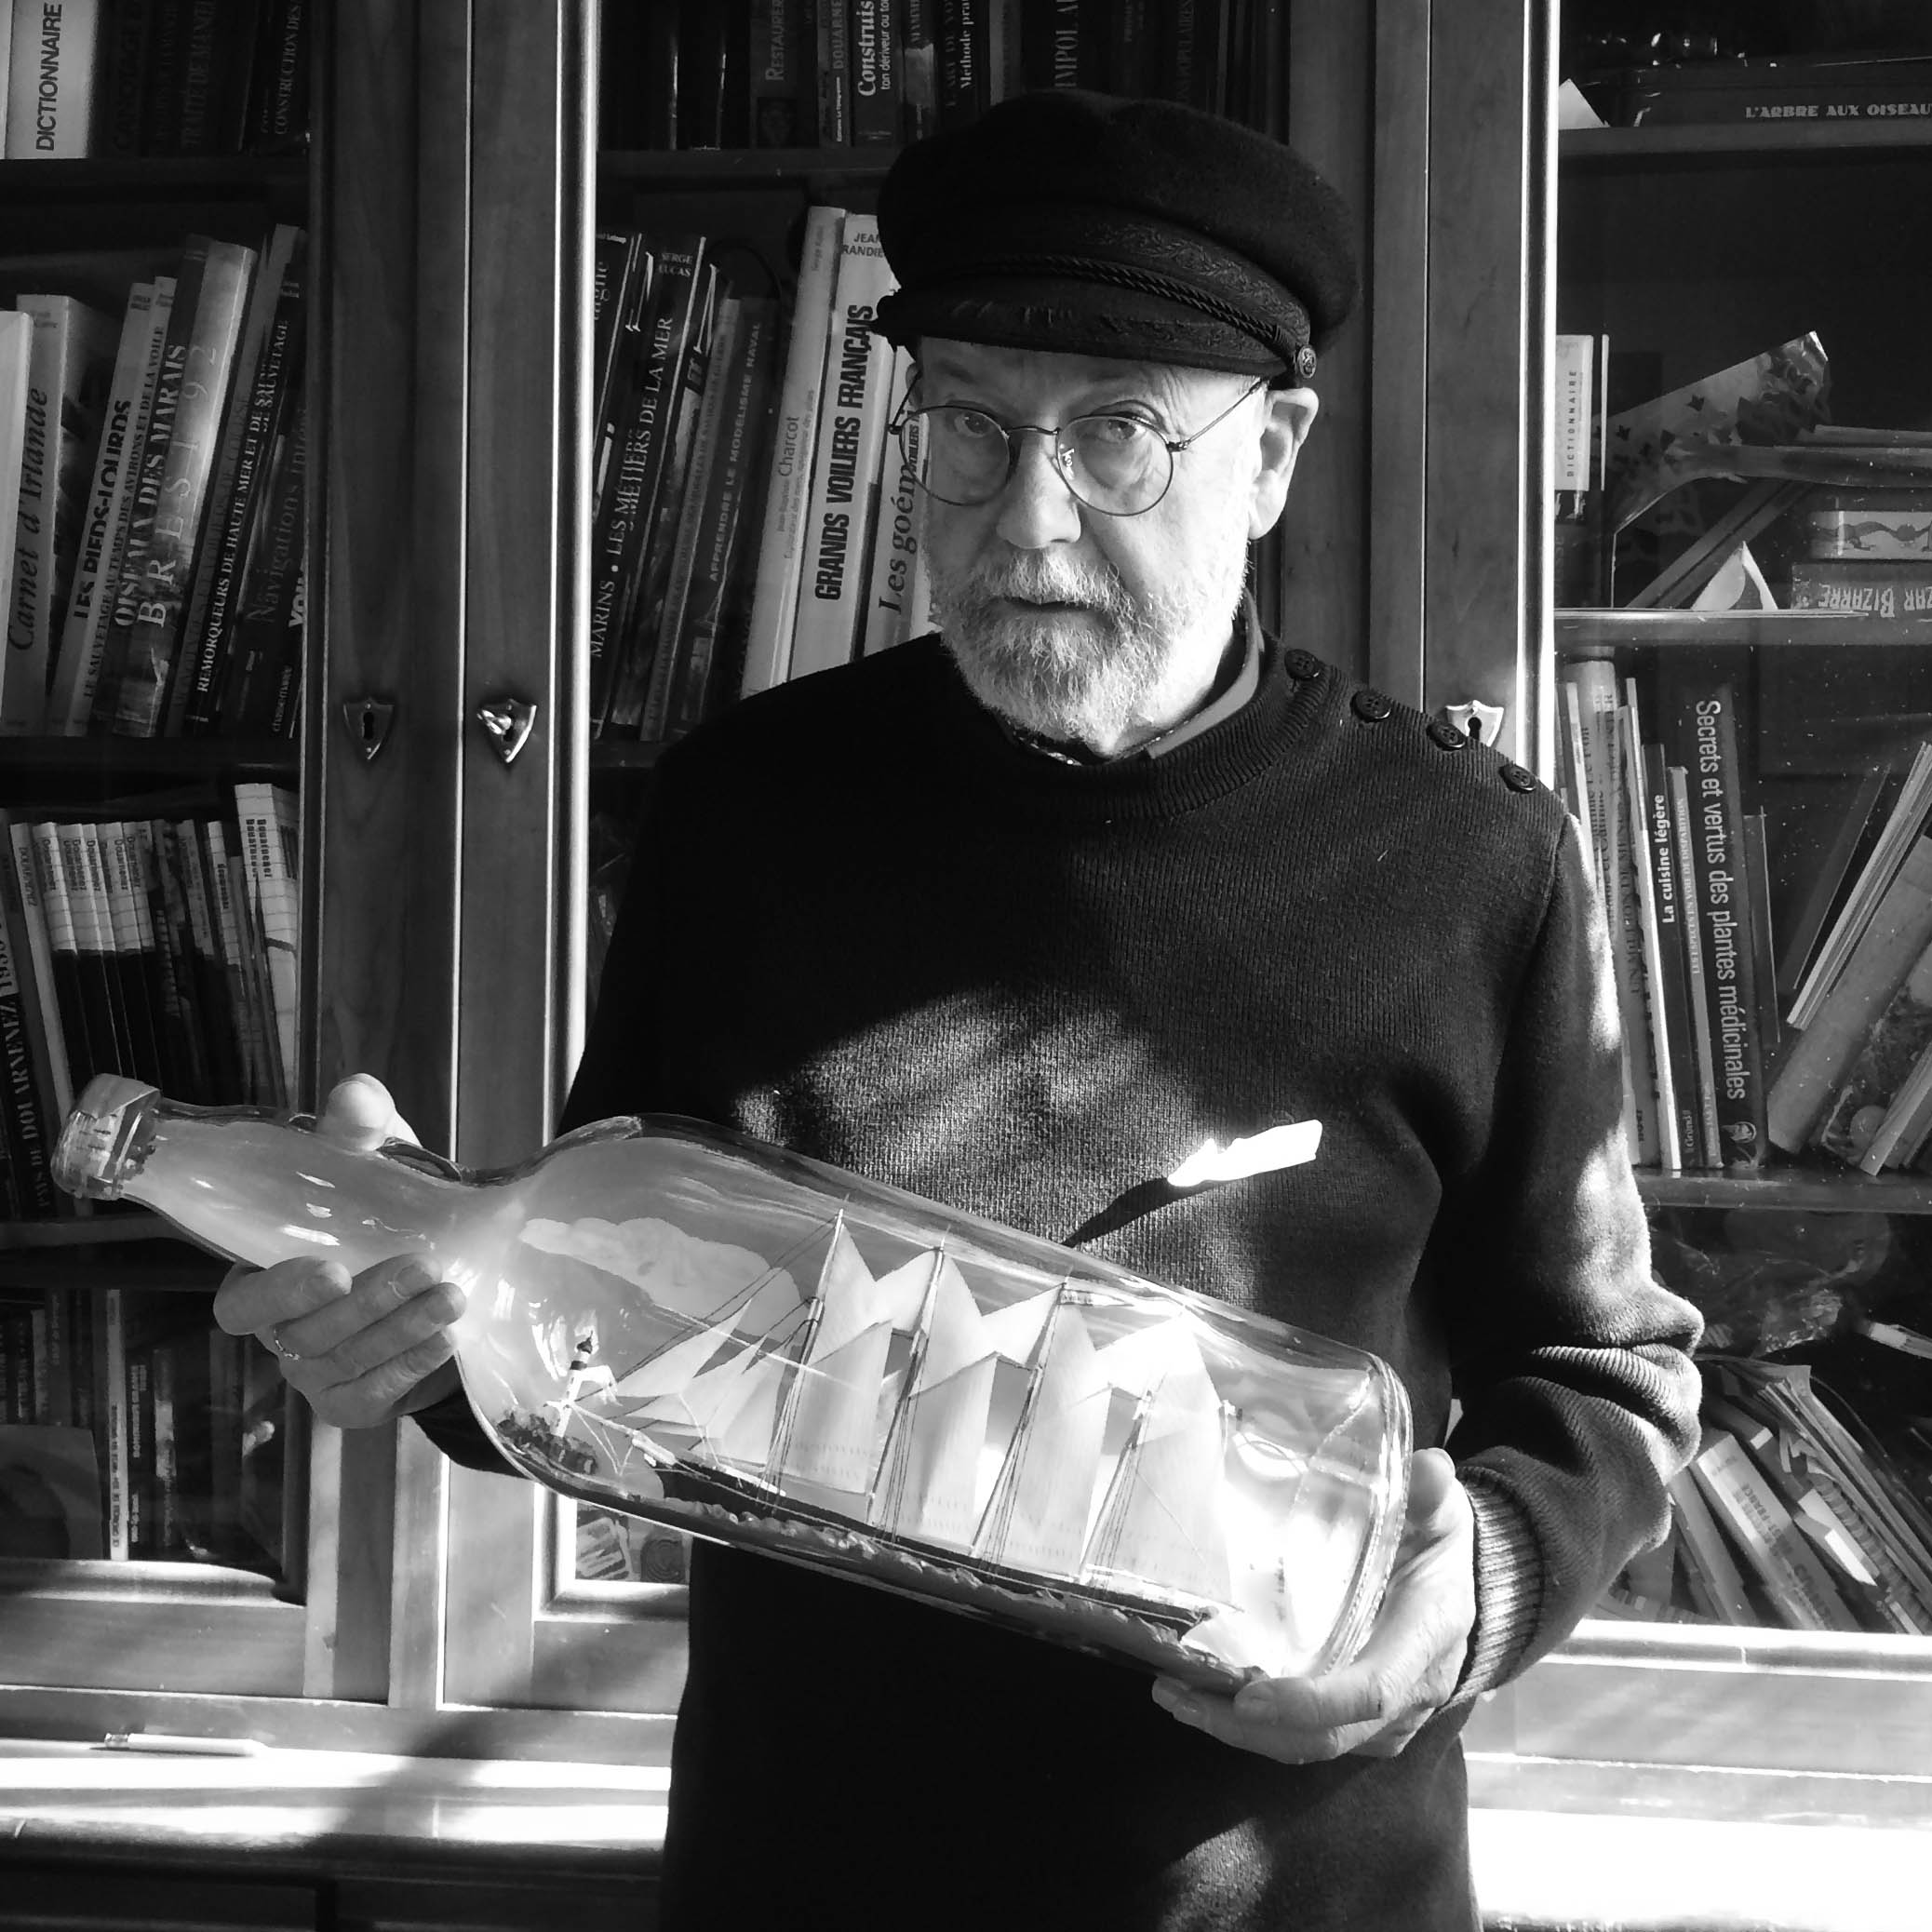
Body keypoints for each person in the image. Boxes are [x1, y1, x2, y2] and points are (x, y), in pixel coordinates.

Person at [215, 91, 1703, 1932]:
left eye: (1118, 436)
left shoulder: (1472, 860)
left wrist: (1478, 1585)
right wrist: (421, 1328)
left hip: (1289, 1892)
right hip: (812, 1874)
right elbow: (612, 1334)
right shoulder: (749, 812)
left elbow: (1609, 1375)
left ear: (1271, 457)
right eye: (973, 430)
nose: (1030, 521)